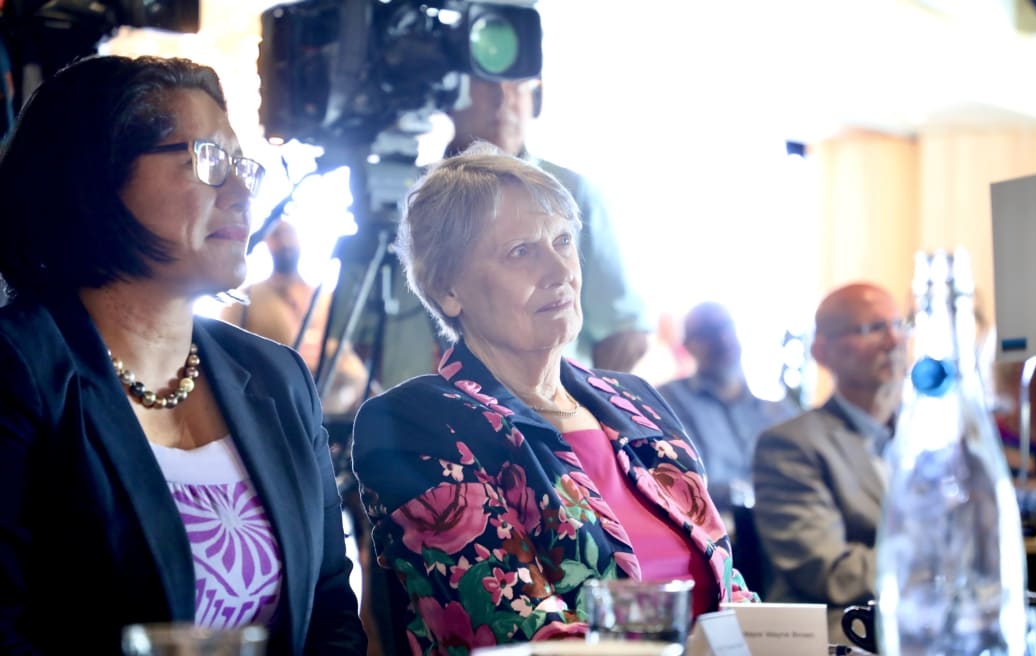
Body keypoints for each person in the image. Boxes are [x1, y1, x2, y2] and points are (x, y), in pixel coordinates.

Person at [0, 55, 368, 654]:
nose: (243, 189)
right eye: (210, 160)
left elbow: (329, 609)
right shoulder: (19, 369)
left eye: (242, 164)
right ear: (97, 177)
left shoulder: (277, 378)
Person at [351, 143, 755, 654]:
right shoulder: (417, 423)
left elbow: (733, 594)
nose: (559, 269)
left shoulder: (637, 402)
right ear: (447, 288)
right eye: (521, 251)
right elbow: (521, 632)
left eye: (562, 240)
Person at [444, 74, 650, 373]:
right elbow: (355, 340)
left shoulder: (573, 193)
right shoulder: (402, 199)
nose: (504, 99)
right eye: (486, 82)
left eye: (516, 84)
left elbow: (627, 335)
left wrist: (562, 407)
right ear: (449, 95)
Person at [751, 282, 908, 644]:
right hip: (843, 630)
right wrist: (929, 564)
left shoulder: (928, 440)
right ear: (822, 352)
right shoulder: (789, 445)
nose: (894, 340)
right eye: (872, 329)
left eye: (899, 325)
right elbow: (832, 572)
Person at [657, 301, 800, 513]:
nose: (723, 339)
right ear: (688, 346)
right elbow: (683, 480)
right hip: (715, 528)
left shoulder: (781, 414)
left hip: (784, 521)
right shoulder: (669, 401)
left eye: (727, 327)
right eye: (708, 332)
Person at [219, 218, 368, 417]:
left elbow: (348, 358)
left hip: (325, 403)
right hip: (271, 399)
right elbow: (222, 353)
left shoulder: (323, 298)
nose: (285, 242)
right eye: (277, 235)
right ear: (266, 242)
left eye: (289, 234)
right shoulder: (247, 297)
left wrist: (329, 351)